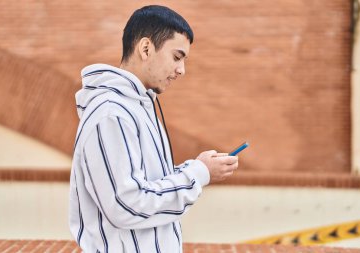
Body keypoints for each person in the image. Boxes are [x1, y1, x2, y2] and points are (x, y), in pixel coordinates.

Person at [69, 5, 239, 253]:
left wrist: (198, 168)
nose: (182, 70)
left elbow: (148, 185)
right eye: (177, 57)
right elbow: (126, 205)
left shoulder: (137, 106)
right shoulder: (111, 113)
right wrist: (199, 174)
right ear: (146, 48)